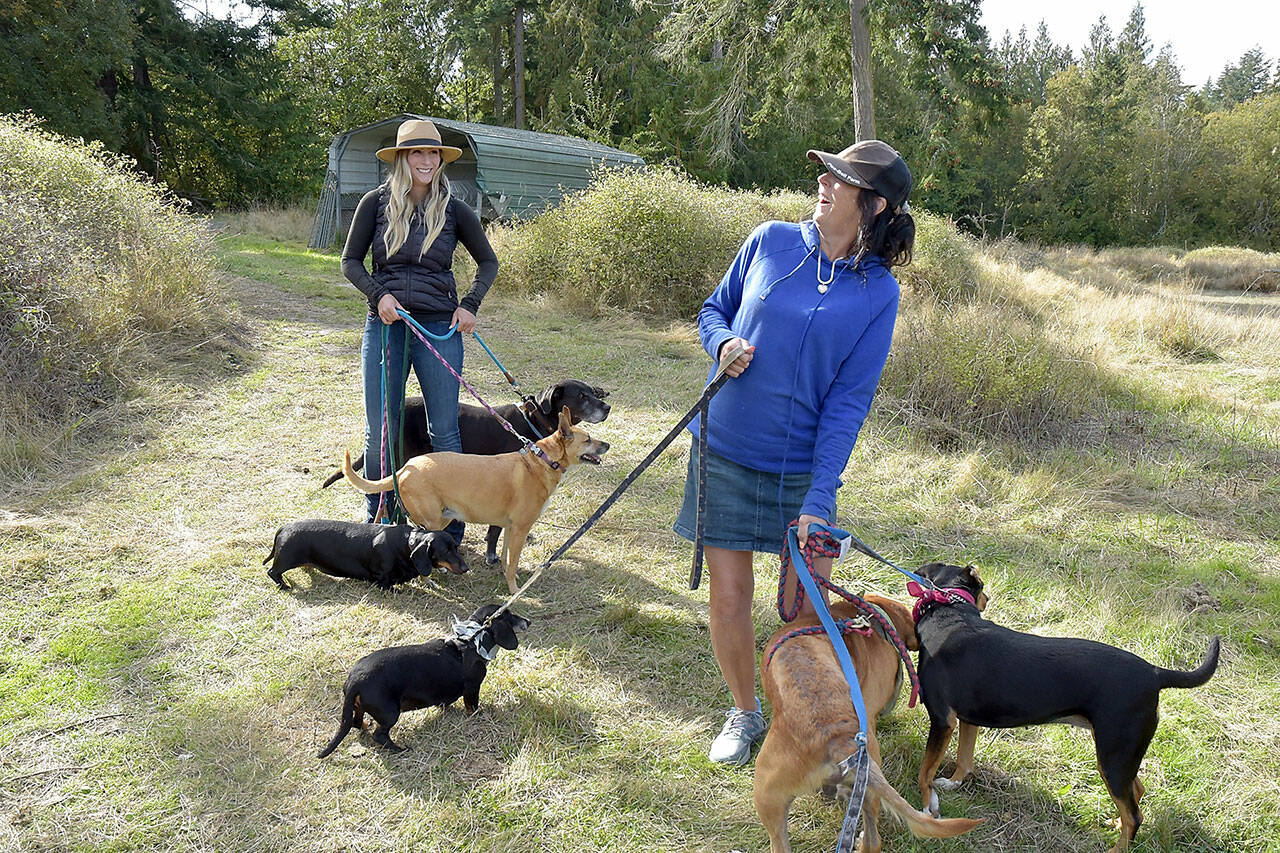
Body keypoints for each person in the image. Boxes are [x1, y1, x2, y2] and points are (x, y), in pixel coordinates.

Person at [673, 140, 915, 765]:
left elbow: (847, 403)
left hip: (801, 469)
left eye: (841, 179)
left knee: (805, 608)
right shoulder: (770, 240)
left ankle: (804, 716)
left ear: (874, 205)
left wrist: (821, 492)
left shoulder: (878, 294)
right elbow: (713, 310)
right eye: (825, 174)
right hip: (723, 446)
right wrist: (722, 341)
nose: (824, 183)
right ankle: (746, 712)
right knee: (729, 595)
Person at [341, 118, 499, 525]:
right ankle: (379, 522)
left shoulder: (455, 209)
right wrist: (379, 296)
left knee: (444, 431)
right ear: (402, 158)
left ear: (440, 160)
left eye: (433, 153)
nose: (426, 160)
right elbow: (350, 262)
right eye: (418, 152)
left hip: (439, 330)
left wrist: (470, 305)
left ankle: (450, 526)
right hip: (386, 328)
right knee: (381, 430)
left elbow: (488, 262)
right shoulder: (374, 204)